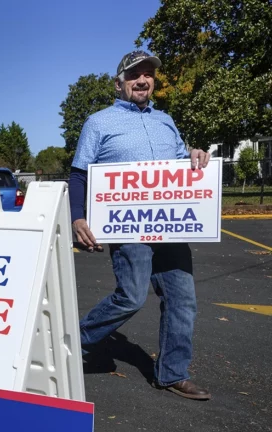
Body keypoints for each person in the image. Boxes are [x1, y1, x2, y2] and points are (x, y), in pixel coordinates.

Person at [69, 50, 212, 401]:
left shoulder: (166, 121)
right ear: (120, 83)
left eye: (148, 74)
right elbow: (79, 173)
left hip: (172, 225)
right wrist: (77, 216)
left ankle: (173, 373)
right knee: (131, 297)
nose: (142, 80)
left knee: (183, 299)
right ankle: (70, 342)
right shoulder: (99, 122)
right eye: (134, 75)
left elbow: (180, 165)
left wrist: (194, 154)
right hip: (128, 226)